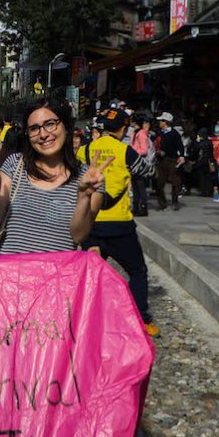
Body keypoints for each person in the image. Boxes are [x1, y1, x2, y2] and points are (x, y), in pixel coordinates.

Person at [0, 98, 107, 254]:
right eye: (34, 129)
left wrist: (84, 196)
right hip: (9, 274)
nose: (43, 134)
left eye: (50, 124)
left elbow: (79, 236)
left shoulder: (88, 178)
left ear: (65, 126)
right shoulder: (15, 164)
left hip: (57, 276)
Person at [77, 108, 160, 338]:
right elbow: (148, 170)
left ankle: (82, 321)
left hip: (90, 224)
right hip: (120, 225)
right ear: (124, 128)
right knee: (137, 271)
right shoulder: (126, 151)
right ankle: (141, 319)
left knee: (89, 276)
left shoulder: (84, 151)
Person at [154, 112, 185, 211]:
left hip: (172, 159)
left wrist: (181, 156)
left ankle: (175, 201)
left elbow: (180, 146)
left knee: (175, 182)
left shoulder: (174, 133)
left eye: (161, 121)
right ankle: (162, 203)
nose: (159, 122)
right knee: (159, 182)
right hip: (161, 160)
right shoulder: (159, 133)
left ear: (166, 122)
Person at [130, 115, 154, 216]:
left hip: (140, 164)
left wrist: (132, 152)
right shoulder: (135, 133)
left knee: (140, 187)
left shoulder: (141, 134)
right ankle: (135, 207)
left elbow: (144, 150)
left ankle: (143, 208)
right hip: (135, 164)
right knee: (135, 187)